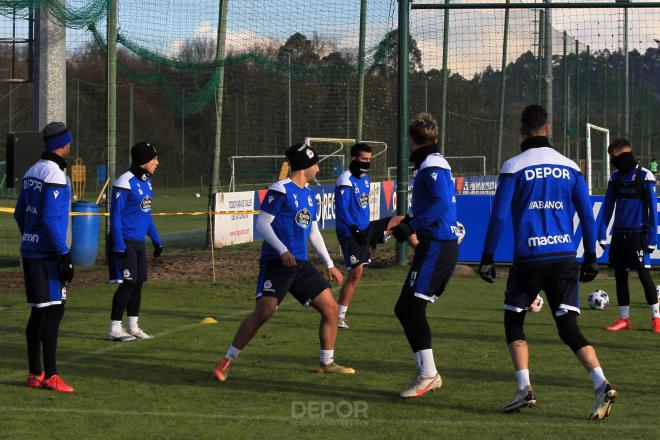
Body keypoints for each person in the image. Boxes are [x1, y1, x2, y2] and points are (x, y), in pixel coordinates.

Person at [479, 104, 616, 420]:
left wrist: (487, 256)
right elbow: (586, 211)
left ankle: (525, 388)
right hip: (565, 256)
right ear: (548, 128)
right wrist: (592, 256)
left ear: (520, 130)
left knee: (514, 320)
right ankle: (600, 382)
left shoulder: (514, 165)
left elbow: (498, 215)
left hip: (529, 258)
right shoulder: (570, 166)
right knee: (568, 326)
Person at [214, 143, 354, 381]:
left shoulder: (309, 194)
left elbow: (313, 232)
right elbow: (262, 224)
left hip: (300, 264)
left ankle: (326, 362)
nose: (319, 169)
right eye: (316, 164)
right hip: (277, 262)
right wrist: (281, 250)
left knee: (331, 309)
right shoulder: (280, 190)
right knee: (264, 312)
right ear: (305, 166)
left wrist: (329, 263)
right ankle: (226, 360)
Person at [389, 113, 459, 398]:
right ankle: (426, 372)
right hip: (435, 244)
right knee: (404, 308)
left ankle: (429, 374)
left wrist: (412, 225)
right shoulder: (433, 164)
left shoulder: (431, 166)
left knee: (413, 308)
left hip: (438, 245)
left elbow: (442, 203)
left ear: (413, 141)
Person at [14, 122, 75, 393]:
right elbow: (51, 218)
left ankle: (34, 373)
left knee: (39, 311)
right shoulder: (54, 174)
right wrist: (63, 253)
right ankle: (51, 374)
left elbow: (19, 213)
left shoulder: (31, 171)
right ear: (63, 144)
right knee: (54, 309)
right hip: (47, 253)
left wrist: (29, 236)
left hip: (29, 249)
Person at [334, 143, 403, 329]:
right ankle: (339, 316)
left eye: (369, 160)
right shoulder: (345, 180)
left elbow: (362, 207)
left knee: (401, 220)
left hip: (366, 228)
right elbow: (341, 209)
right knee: (356, 273)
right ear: (354, 158)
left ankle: (424, 252)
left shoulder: (365, 179)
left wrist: (367, 232)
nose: (367, 163)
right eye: (364, 159)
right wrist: (355, 230)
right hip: (350, 231)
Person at [598, 138, 660, 333]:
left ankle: (656, 318)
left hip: (638, 235)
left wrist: (652, 238)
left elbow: (652, 211)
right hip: (619, 235)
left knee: (643, 275)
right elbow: (608, 207)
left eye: (613, 157)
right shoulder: (615, 178)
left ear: (624, 155)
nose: (613, 161)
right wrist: (602, 233)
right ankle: (624, 318)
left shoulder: (645, 176)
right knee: (619, 275)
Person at [107, 142, 163, 341]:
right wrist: (119, 245)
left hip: (139, 243)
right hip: (125, 241)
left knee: (138, 284)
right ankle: (114, 328)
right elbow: (114, 217)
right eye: (154, 158)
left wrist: (156, 240)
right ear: (144, 161)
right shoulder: (124, 182)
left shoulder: (147, 182)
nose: (157, 162)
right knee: (128, 284)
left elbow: (146, 215)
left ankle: (133, 326)